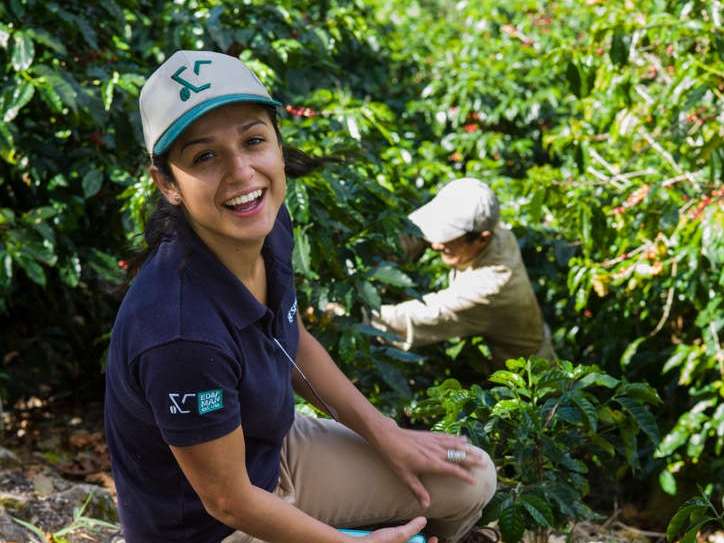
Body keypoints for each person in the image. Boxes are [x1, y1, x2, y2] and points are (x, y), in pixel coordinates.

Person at [104, 50, 497, 543]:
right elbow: (228, 500)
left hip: (275, 455)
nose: (243, 172)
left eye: (253, 140)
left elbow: (289, 337)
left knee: (469, 476)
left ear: (277, 143)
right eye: (205, 156)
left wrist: (386, 434)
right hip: (212, 528)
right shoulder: (180, 332)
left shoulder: (265, 227)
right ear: (167, 183)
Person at [371, 178, 555, 367]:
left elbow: (408, 320)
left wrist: (348, 313)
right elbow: (417, 233)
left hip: (528, 376)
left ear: (482, 239)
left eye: (447, 236)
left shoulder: (490, 288)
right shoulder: (487, 225)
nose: (435, 244)